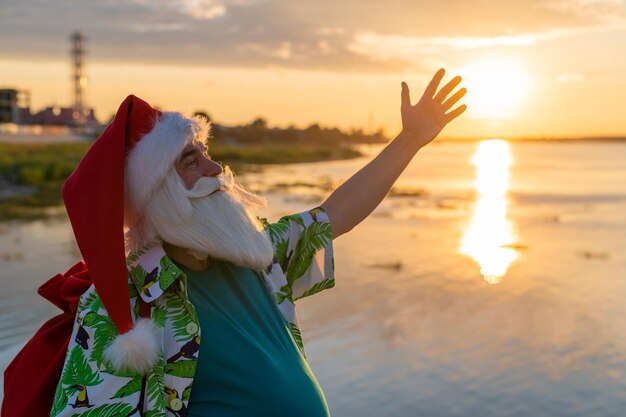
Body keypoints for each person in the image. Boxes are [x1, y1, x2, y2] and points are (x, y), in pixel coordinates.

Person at [8, 68, 466, 417]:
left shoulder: (256, 255)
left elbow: (336, 214)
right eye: (191, 160)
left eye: (207, 152)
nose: (214, 169)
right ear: (157, 194)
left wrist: (410, 141)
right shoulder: (126, 308)